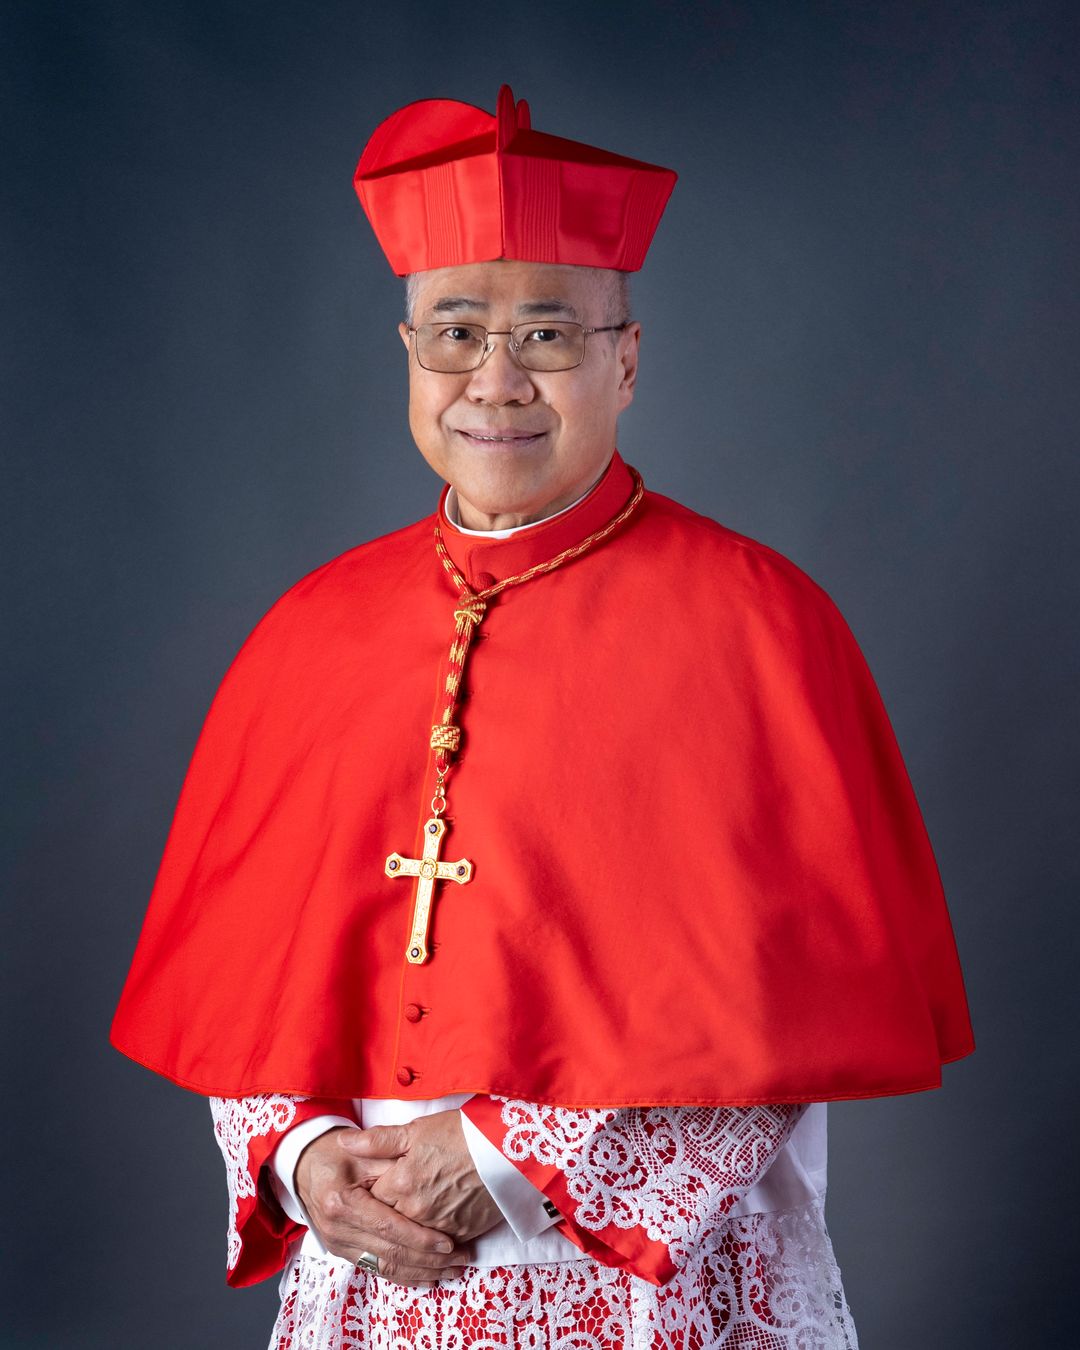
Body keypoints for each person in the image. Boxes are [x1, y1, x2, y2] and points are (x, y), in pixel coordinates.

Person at [112, 85, 974, 1349]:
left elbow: (785, 1019)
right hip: (374, 1285)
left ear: (627, 359)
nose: (497, 380)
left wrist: (500, 1158)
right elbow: (252, 983)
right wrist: (301, 1157)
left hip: (651, 1290)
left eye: (550, 336)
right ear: (408, 354)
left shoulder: (759, 624)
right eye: (456, 332)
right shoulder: (310, 629)